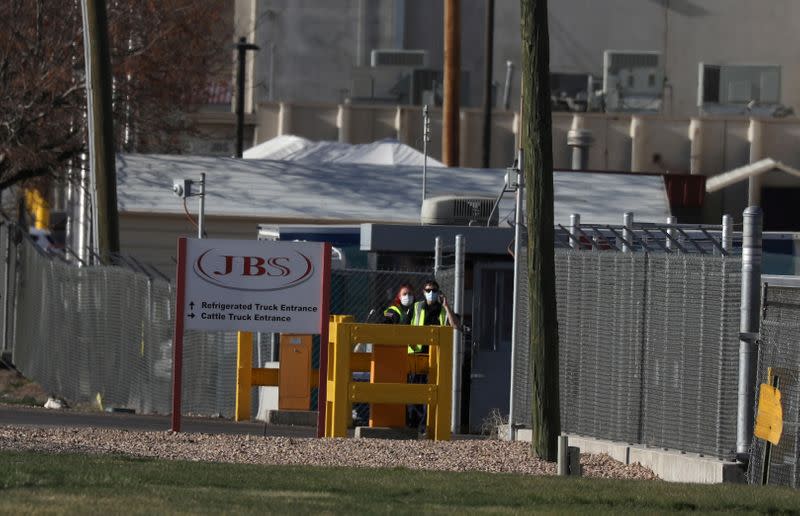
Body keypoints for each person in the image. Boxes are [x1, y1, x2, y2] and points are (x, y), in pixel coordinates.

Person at [407, 278, 460, 432]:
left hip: (436, 359)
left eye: (434, 291)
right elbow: (405, 327)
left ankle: (426, 428)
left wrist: (447, 306)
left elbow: (455, 325)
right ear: (423, 292)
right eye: (428, 290)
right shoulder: (416, 307)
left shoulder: (443, 311)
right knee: (413, 395)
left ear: (439, 293)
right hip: (417, 358)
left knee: (430, 397)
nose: (431, 293)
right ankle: (412, 427)